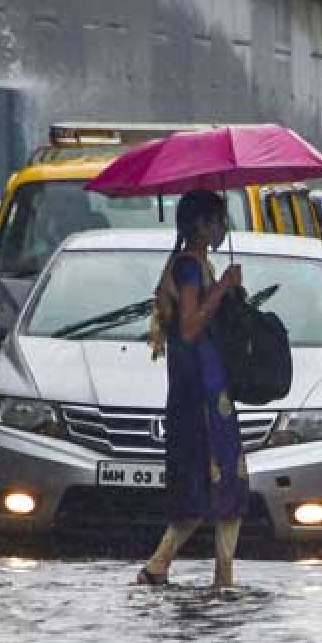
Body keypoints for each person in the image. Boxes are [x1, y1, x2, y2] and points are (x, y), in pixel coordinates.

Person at [138, 190, 245, 587]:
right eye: (218, 221)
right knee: (212, 482)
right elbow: (188, 326)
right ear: (201, 224)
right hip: (197, 390)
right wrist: (221, 290)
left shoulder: (200, 265)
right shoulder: (187, 268)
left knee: (221, 482)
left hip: (208, 385)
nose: (222, 228)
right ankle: (192, 570)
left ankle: (199, 570)